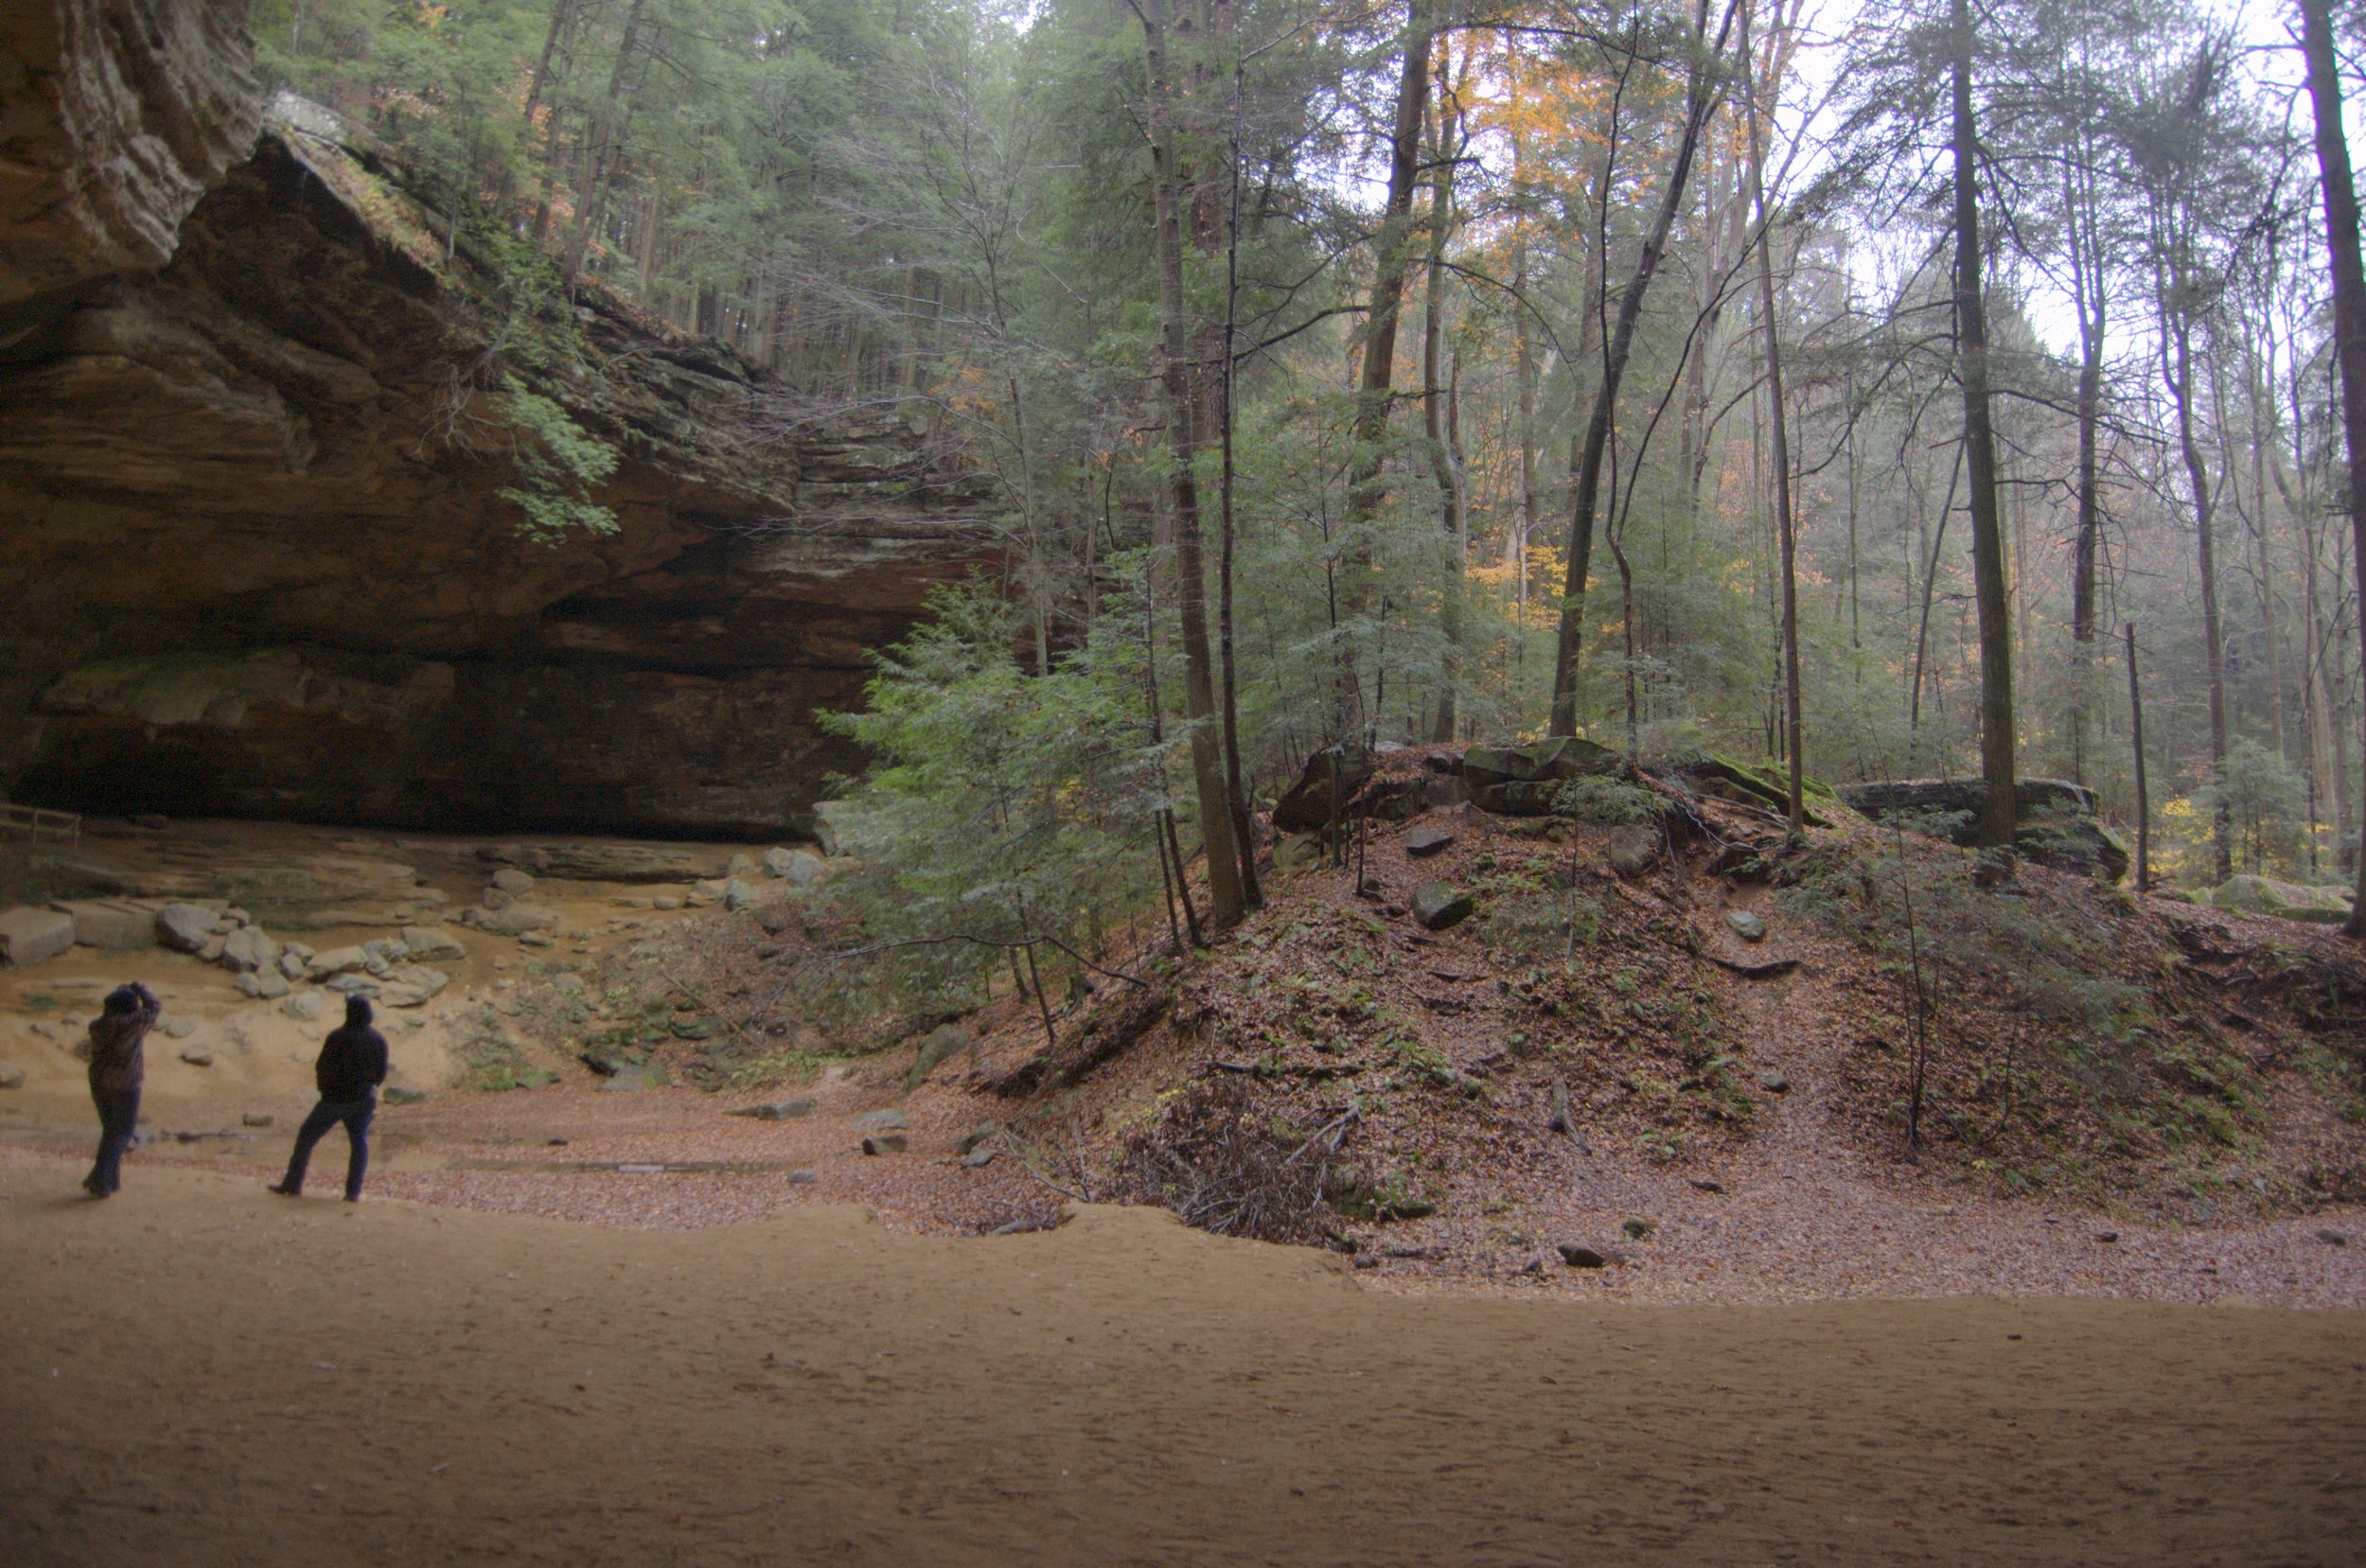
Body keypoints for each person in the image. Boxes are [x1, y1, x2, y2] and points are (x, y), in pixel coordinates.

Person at [270, 995, 389, 1202]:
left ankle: (293, 1183)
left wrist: (324, 1090)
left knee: (306, 1136)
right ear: (368, 1014)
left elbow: (322, 1066)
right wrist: (369, 1089)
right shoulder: (378, 1039)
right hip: (363, 1099)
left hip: (333, 1100)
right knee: (359, 1142)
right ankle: (353, 1193)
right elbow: (381, 1073)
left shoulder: (337, 1037)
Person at [84, 981, 161, 1198]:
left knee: (111, 1131)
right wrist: (139, 988)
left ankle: (109, 1181)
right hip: (125, 1083)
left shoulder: (96, 1026)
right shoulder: (132, 1025)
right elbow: (154, 1007)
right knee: (123, 1133)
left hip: (99, 1082)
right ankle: (100, 1178)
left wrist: (123, 993)